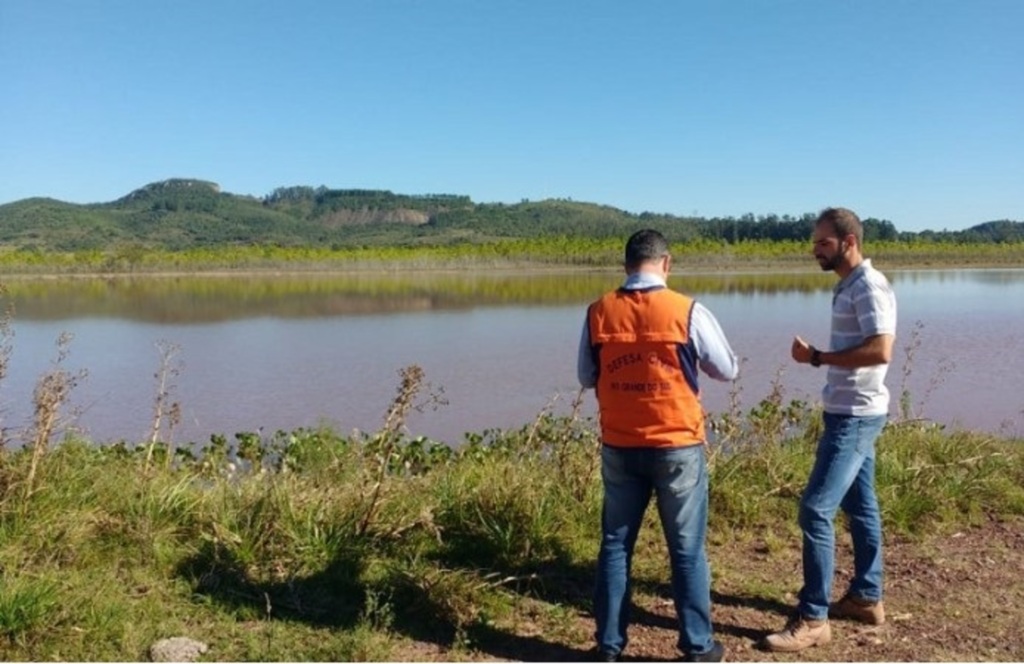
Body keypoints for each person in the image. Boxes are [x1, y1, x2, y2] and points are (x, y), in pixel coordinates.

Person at [578, 229, 739, 663]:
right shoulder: (687, 310)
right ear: (666, 263)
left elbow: (586, 377)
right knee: (686, 550)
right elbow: (727, 369)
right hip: (677, 446)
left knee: (615, 545)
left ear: (626, 264)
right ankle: (698, 647)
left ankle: (608, 647)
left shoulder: (598, 312)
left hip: (620, 445)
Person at [762, 207, 897, 652]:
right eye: (814, 242)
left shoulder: (868, 286)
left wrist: (817, 358)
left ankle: (814, 618)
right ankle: (866, 597)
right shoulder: (850, 285)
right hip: (850, 410)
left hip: (855, 414)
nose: (815, 250)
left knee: (815, 510)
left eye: (823, 242)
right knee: (861, 505)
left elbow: (881, 350)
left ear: (849, 242)